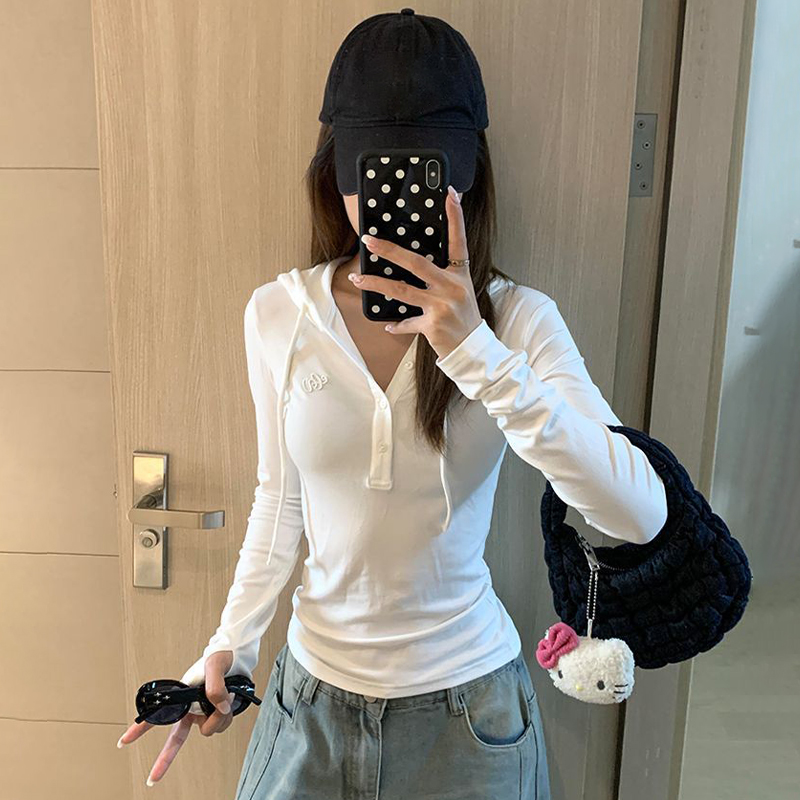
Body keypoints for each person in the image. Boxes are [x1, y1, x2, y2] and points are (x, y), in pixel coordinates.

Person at [118, 9, 669, 798]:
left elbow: (637, 513)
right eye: (373, 173)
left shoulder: (519, 321)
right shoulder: (278, 314)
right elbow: (281, 500)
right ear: (334, 169)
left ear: (467, 173)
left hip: (471, 717)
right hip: (308, 709)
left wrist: (476, 352)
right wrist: (232, 646)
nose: (396, 203)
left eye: (425, 173)